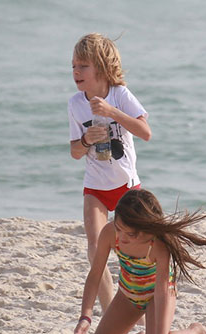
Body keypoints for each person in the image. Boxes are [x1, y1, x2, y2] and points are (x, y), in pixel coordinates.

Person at [68, 33, 152, 318]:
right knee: (95, 251)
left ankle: (144, 303)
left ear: (102, 68)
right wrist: (86, 141)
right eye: (73, 67)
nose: (76, 72)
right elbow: (74, 152)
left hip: (127, 185)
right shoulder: (75, 104)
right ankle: (108, 313)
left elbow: (145, 133)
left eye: (83, 66)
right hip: (95, 187)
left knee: (139, 252)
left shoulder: (120, 95)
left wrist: (112, 112)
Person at [73, 189, 206, 334]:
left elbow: (162, 290)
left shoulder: (158, 244)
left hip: (156, 295)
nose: (122, 237)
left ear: (145, 229)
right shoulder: (109, 233)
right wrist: (85, 317)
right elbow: (95, 275)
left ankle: (195, 332)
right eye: (119, 229)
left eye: (131, 234)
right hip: (128, 293)